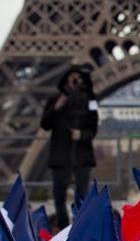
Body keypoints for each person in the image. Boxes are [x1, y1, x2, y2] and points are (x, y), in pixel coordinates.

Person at [40, 65, 98, 230]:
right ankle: (64, 228)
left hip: (81, 155)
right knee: (59, 197)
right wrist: (57, 106)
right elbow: (45, 124)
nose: (74, 81)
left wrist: (82, 135)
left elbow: (93, 128)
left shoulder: (90, 101)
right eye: (72, 77)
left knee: (82, 196)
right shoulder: (55, 100)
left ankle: (79, 228)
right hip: (61, 155)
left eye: (78, 78)